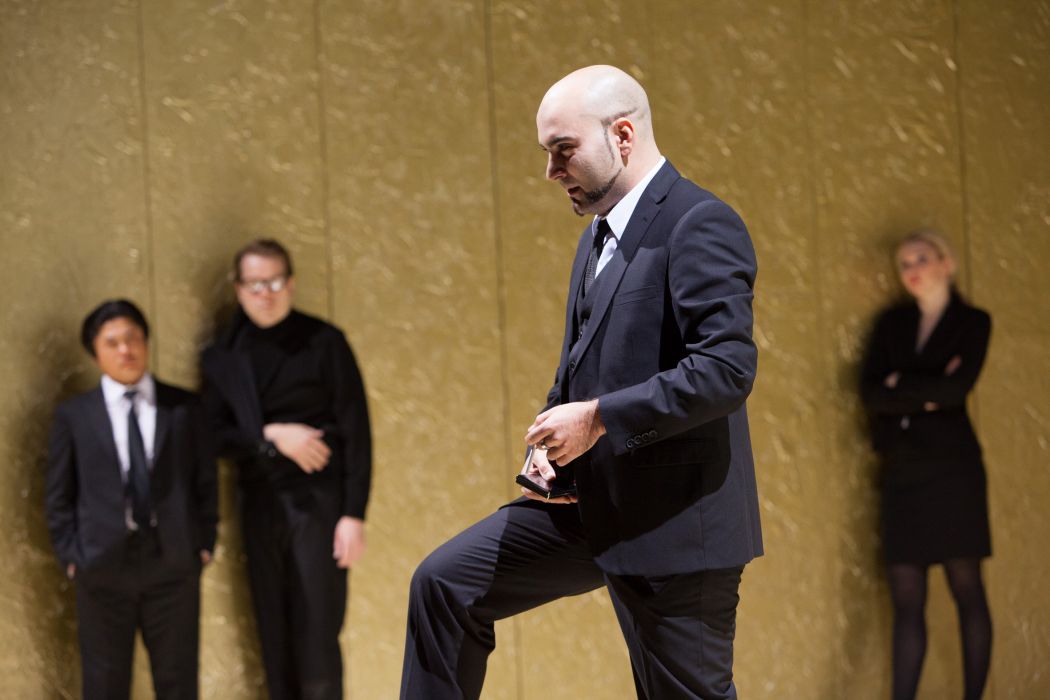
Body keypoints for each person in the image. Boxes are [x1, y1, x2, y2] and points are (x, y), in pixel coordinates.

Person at [400, 65, 762, 700]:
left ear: (622, 135)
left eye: (563, 150)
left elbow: (725, 371)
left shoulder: (698, 221)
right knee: (445, 585)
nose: (551, 171)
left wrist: (597, 419)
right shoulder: (597, 233)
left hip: (676, 523)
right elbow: (583, 364)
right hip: (589, 507)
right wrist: (552, 439)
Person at [200, 239, 371, 700]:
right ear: (239, 289)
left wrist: (353, 515)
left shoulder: (325, 342)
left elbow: (357, 432)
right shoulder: (222, 358)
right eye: (255, 284)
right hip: (259, 505)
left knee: (318, 636)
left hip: (320, 506)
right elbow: (213, 437)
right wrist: (272, 437)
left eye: (275, 282)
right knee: (273, 638)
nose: (266, 293)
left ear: (291, 284)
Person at [45, 299, 218, 700]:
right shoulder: (75, 416)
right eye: (112, 342)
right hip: (101, 567)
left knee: (178, 683)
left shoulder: (184, 408)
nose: (125, 349)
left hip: (173, 564)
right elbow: (58, 494)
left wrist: (204, 543)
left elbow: (205, 483)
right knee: (104, 685)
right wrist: (72, 555)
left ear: (146, 341)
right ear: (95, 352)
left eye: (132, 338)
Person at [860, 230, 993, 700]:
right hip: (902, 472)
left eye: (921, 258)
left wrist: (901, 385)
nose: (912, 269)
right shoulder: (891, 324)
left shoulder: (973, 322)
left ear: (945, 262)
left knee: (967, 588)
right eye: (904, 263)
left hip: (953, 471)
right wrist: (929, 390)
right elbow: (871, 394)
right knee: (906, 597)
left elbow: (956, 392)